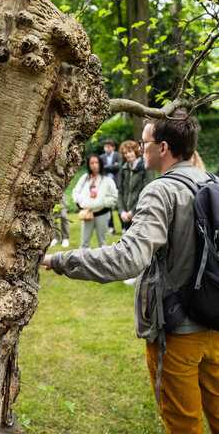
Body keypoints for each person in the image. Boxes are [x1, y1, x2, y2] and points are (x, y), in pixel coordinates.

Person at [43, 110, 219, 434]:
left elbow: (126, 259)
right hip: (216, 322)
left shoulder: (160, 191)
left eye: (145, 142)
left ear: (163, 147)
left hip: (178, 333)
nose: (141, 148)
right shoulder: (212, 182)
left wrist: (61, 260)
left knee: (184, 424)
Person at [72, 154, 118, 248]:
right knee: (84, 242)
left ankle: (102, 262)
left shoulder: (107, 179)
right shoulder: (85, 178)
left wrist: (102, 202)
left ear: (100, 164)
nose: (94, 165)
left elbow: (114, 196)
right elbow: (75, 192)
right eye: (92, 163)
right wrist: (81, 202)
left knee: (102, 242)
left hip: (102, 213)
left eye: (96, 162)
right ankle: (80, 262)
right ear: (89, 165)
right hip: (87, 213)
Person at [118, 140, 154, 233]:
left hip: (140, 213)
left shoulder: (145, 167)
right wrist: (122, 211)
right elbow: (120, 192)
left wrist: (133, 211)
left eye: (130, 151)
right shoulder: (124, 168)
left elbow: (147, 191)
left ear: (136, 151)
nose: (127, 155)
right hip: (125, 215)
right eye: (125, 152)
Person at [100, 139, 121, 235]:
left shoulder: (117, 155)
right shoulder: (102, 157)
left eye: (108, 147)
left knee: (119, 205)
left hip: (116, 183)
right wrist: (112, 166)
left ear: (113, 147)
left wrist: (106, 167)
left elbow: (118, 167)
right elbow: (100, 169)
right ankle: (111, 228)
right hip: (106, 185)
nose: (106, 149)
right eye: (105, 147)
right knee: (107, 207)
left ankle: (124, 228)